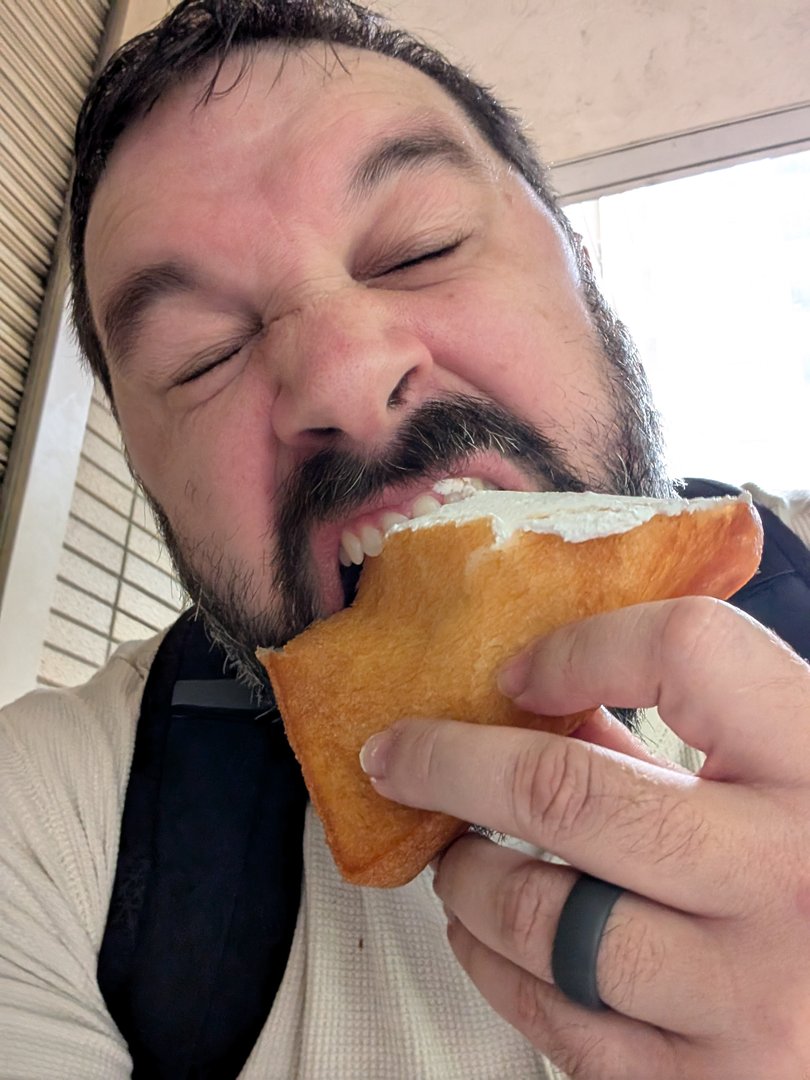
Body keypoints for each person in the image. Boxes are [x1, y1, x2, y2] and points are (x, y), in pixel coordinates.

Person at [3, 1, 810, 1077]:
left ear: (581, 266)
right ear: (150, 483)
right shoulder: (49, 828)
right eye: (202, 358)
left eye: (419, 246)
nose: (340, 373)